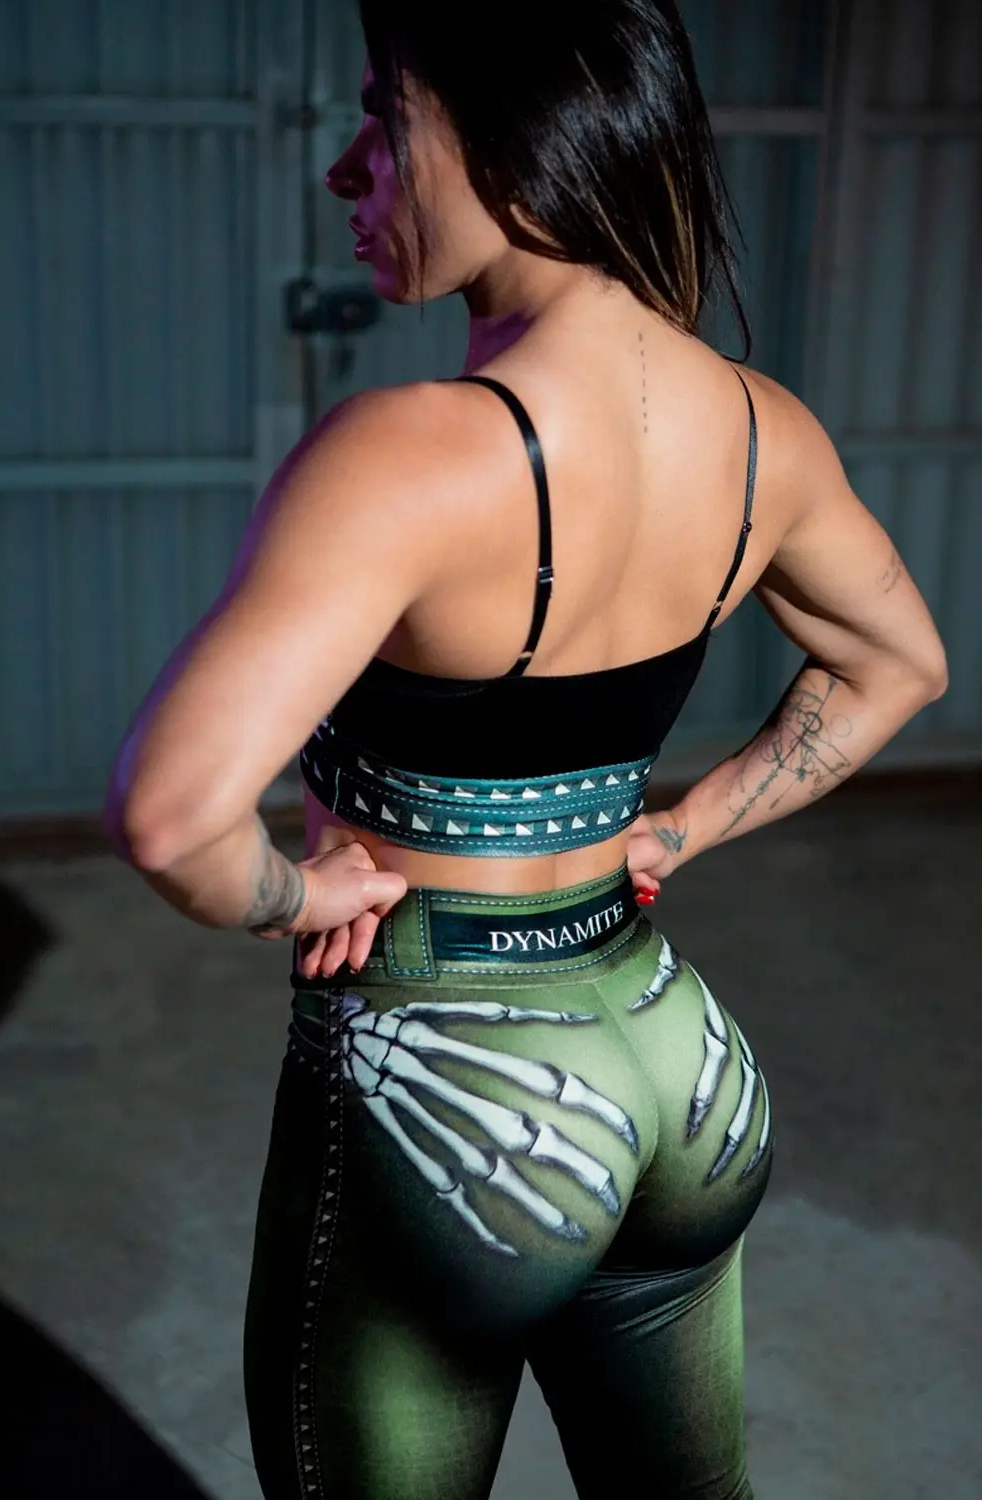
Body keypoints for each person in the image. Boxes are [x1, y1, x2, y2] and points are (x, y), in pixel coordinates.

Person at [105, 3, 949, 1497]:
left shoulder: (404, 455)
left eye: (386, 118)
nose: (347, 168)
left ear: (518, 138)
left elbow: (174, 820)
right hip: (684, 1071)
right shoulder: (764, 431)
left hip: (453, 1094)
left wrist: (303, 897)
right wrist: (678, 829)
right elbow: (901, 665)